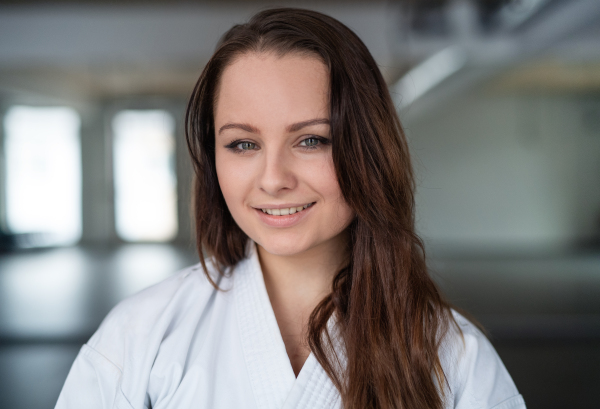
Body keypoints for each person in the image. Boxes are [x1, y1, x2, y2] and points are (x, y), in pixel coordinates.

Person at [56, 8, 526, 409]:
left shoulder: (457, 358)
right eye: (242, 144)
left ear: (368, 149)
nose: (274, 178)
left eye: (311, 140)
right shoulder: (138, 338)